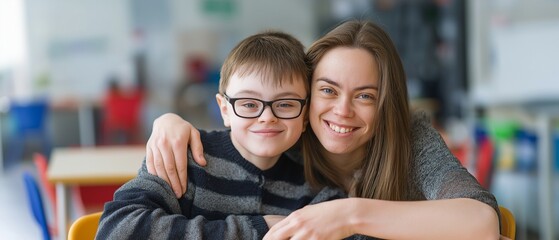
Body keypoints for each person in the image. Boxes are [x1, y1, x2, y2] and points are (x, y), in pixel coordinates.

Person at [146, 20, 501, 239]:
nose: (342, 111)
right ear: (304, 96)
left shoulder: (410, 139)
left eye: (365, 95)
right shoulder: (284, 139)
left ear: (386, 104)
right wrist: (169, 121)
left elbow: (481, 222)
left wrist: (348, 215)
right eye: (328, 90)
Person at [96, 31, 345, 239]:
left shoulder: (315, 182)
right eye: (248, 104)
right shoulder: (184, 158)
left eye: (285, 104)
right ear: (224, 110)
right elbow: (116, 230)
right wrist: (258, 230)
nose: (267, 117)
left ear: (304, 115)